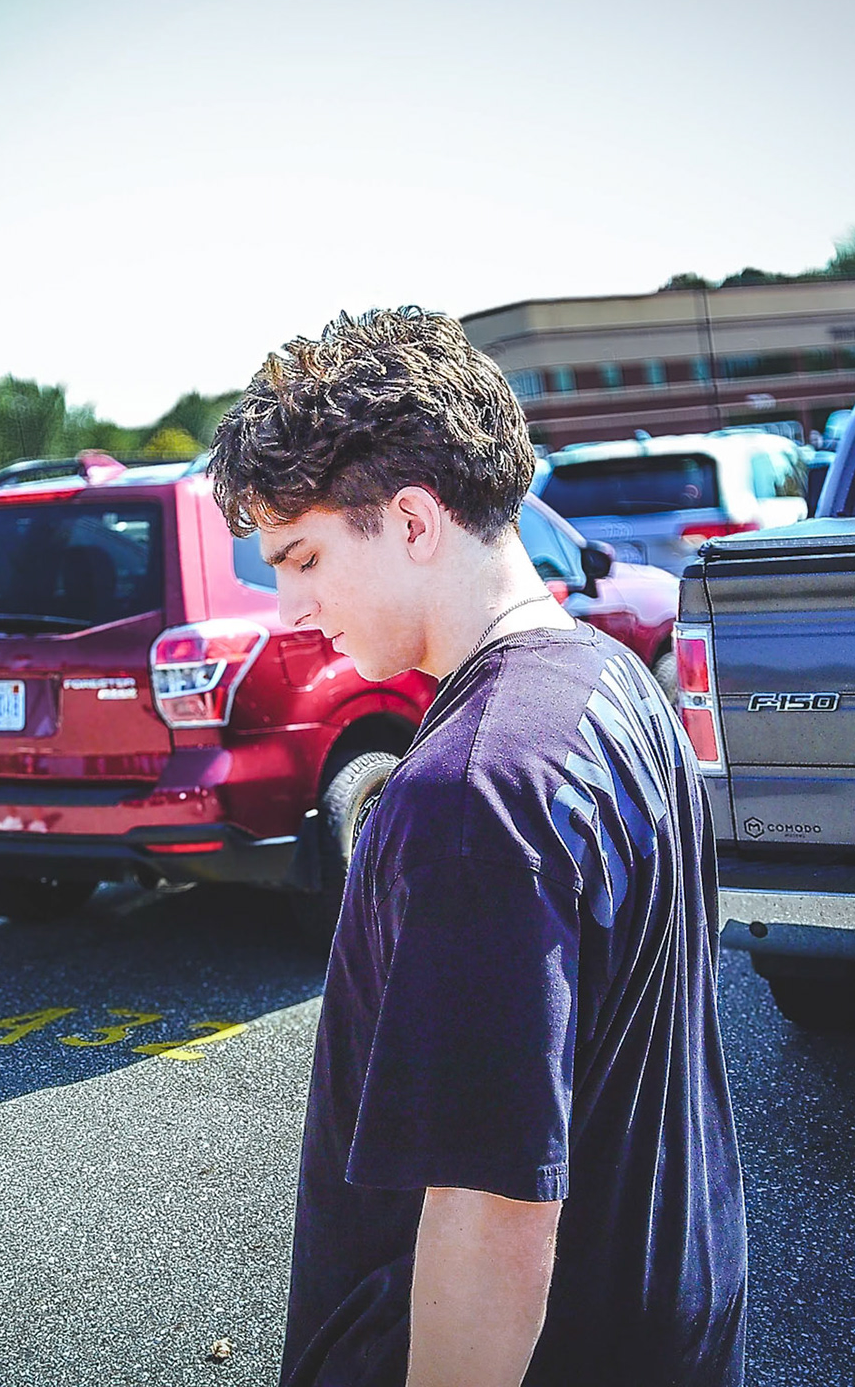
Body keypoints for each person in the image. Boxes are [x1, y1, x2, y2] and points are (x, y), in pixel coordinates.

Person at [208, 308, 746, 1387]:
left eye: (302, 556)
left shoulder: (471, 795)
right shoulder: (610, 680)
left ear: (413, 521)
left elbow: (493, 1206)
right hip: (663, 1318)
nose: (290, 604)